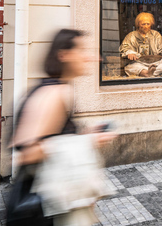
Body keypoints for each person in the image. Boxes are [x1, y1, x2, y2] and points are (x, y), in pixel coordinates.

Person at [9, 29, 118, 225]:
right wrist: (86, 141)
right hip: (44, 207)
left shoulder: (55, 89)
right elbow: (28, 153)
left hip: (51, 201)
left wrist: (85, 135)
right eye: (82, 50)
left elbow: (51, 138)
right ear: (63, 55)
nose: (93, 58)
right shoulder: (56, 93)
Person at [120, 12, 162, 77]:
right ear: (138, 24)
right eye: (143, 24)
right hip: (139, 63)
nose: (146, 26)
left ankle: (158, 72)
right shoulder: (131, 36)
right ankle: (149, 73)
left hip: (157, 63)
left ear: (151, 24)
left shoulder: (156, 35)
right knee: (131, 67)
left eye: (148, 24)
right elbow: (125, 47)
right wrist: (129, 52)